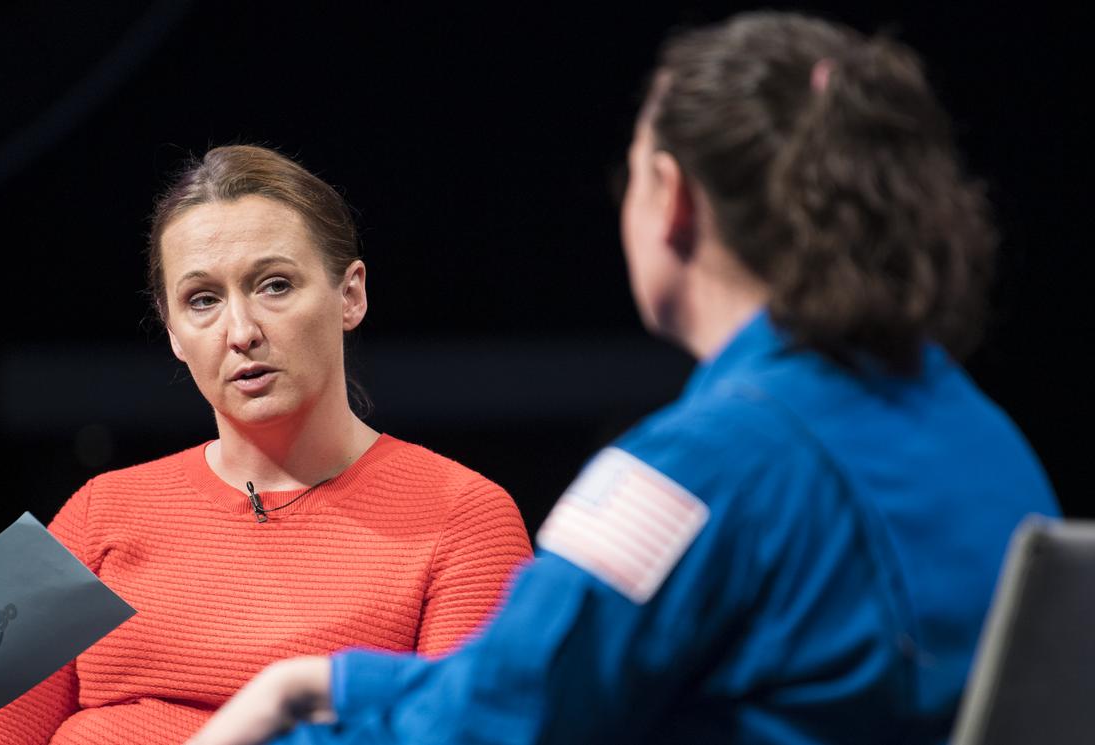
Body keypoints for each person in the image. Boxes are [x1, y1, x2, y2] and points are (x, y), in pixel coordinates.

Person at [185, 12, 1060, 745]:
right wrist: (323, 679)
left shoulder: (701, 467)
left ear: (673, 199)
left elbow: (501, 719)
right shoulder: (986, 437)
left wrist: (289, 712)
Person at [0, 146, 532, 745]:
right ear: (174, 332)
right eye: (203, 299)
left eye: (274, 285)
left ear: (349, 294)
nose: (241, 330)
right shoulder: (103, 512)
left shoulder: (461, 518)